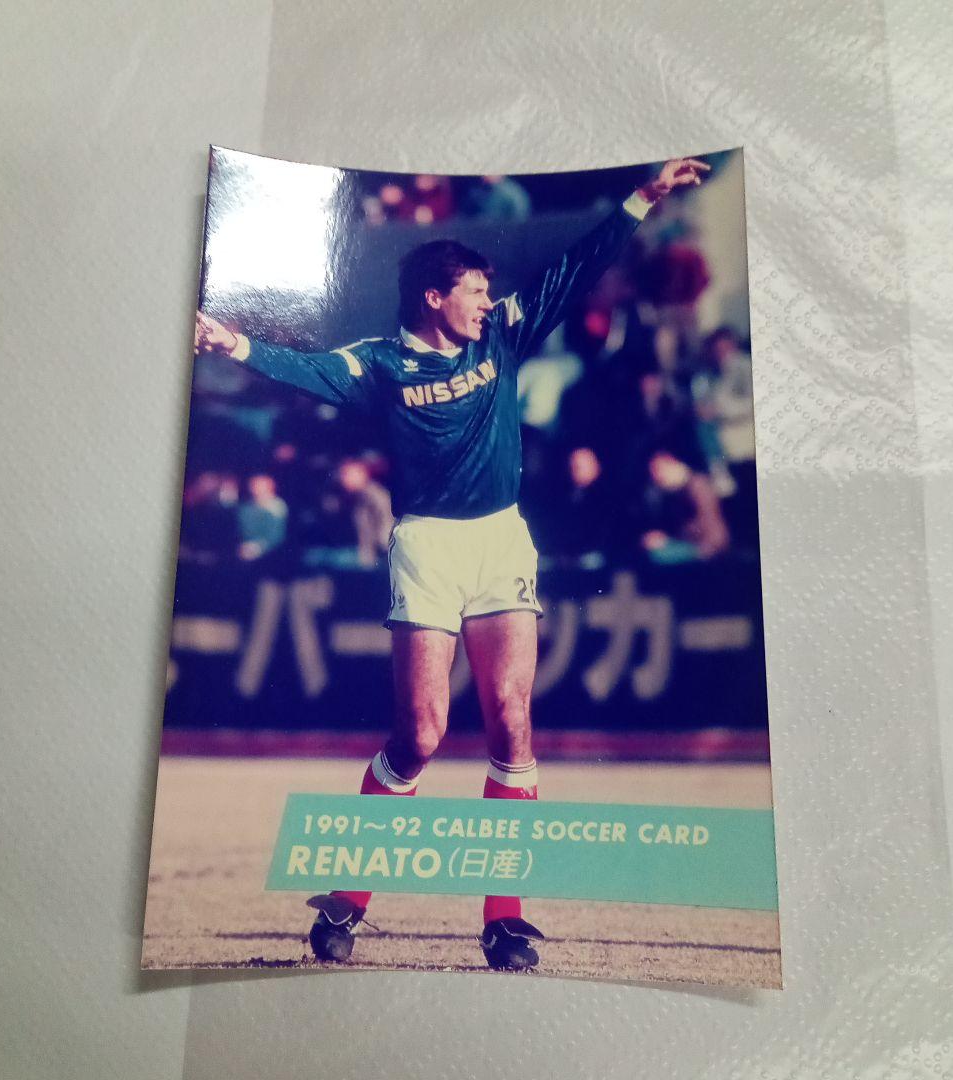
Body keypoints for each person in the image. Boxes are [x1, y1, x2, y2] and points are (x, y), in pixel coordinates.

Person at [194, 157, 711, 971]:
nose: (486, 302)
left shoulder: (502, 335)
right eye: (473, 291)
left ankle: (505, 920)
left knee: (512, 719)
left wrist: (642, 197)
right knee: (421, 735)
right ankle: (349, 897)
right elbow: (306, 369)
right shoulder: (380, 364)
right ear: (434, 297)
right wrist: (234, 341)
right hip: (428, 548)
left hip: (500, 539)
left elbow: (574, 269)